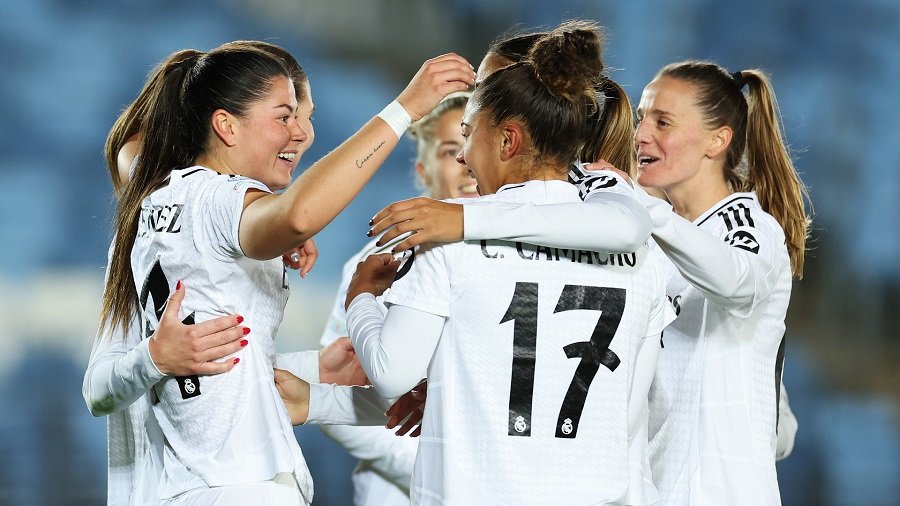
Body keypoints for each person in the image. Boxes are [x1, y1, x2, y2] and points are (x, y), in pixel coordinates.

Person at [373, 60, 810, 504]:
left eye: (663, 122)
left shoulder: (746, 226)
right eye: (642, 119)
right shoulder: (642, 243)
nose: (641, 135)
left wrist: (462, 217)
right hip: (648, 490)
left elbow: (738, 284)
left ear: (718, 140)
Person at [92, 41, 474, 505]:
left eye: (305, 116)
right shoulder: (215, 199)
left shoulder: (154, 207)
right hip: (237, 487)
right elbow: (299, 215)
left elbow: (176, 375)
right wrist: (404, 108)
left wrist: (313, 367)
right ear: (226, 125)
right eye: (286, 115)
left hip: (183, 487)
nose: (303, 134)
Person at [341, 22, 675, 504]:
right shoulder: (639, 252)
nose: (462, 160)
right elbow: (624, 414)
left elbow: (391, 372)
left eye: (467, 134)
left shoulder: (448, 231)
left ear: (507, 140)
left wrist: (362, 299)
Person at [315, 91, 473, 506]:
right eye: (450, 151)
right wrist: (439, 472)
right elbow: (337, 390)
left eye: (473, 147)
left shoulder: (530, 262)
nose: (466, 166)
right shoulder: (373, 268)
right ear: (422, 169)